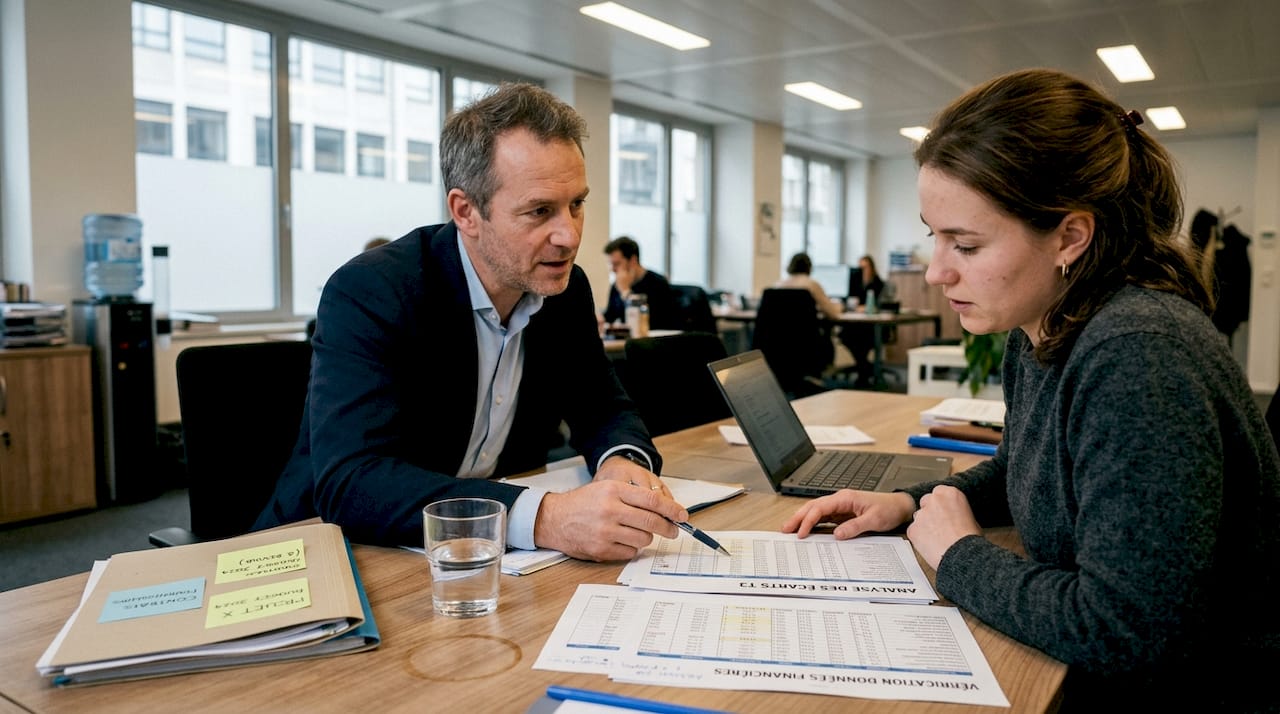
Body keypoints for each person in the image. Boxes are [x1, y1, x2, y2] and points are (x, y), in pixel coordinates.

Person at [783, 68, 1280, 712]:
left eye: (965, 243)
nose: (937, 270)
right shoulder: (1045, 323)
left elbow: (1127, 631)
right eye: (935, 236)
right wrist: (911, 506)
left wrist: (958, 554)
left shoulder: (1140, 353)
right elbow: (1029, 469)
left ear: (1070, 236)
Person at [255, 82, 687, 562]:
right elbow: (353, 483)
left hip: (488, 563)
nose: (569, 235)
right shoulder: (374, 291)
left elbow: (602, 405)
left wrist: (620, 461)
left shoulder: (565, 289)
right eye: (540, 210)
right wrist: (546, 518)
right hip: (334, 553)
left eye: (577, 204)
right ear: (466, 211)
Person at [838, 254, 896, 387]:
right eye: (860, 267)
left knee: (860, 339)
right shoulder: (854, 283)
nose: (862, 270)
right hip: (857, 324)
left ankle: (863, 369)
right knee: (846, 336)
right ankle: (865, 367)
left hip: (873, 326)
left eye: (865, 267)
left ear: (872, 268)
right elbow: (849, 301)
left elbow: (882, 304)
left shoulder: (878, 283)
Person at [601, 236, 679, 329]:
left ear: (633, 260)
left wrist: (626, 292)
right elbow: (610, 316)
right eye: (610, 264)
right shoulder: (617, 285)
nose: (612, 270)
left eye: (616, 264)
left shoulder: (658, 283)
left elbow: (649, 322)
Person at [775, 252, 843, 320]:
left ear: (790, 266)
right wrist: (839, 307)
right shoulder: (812, 285)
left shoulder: (778, 285)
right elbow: (832, 313)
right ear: (809, 267)